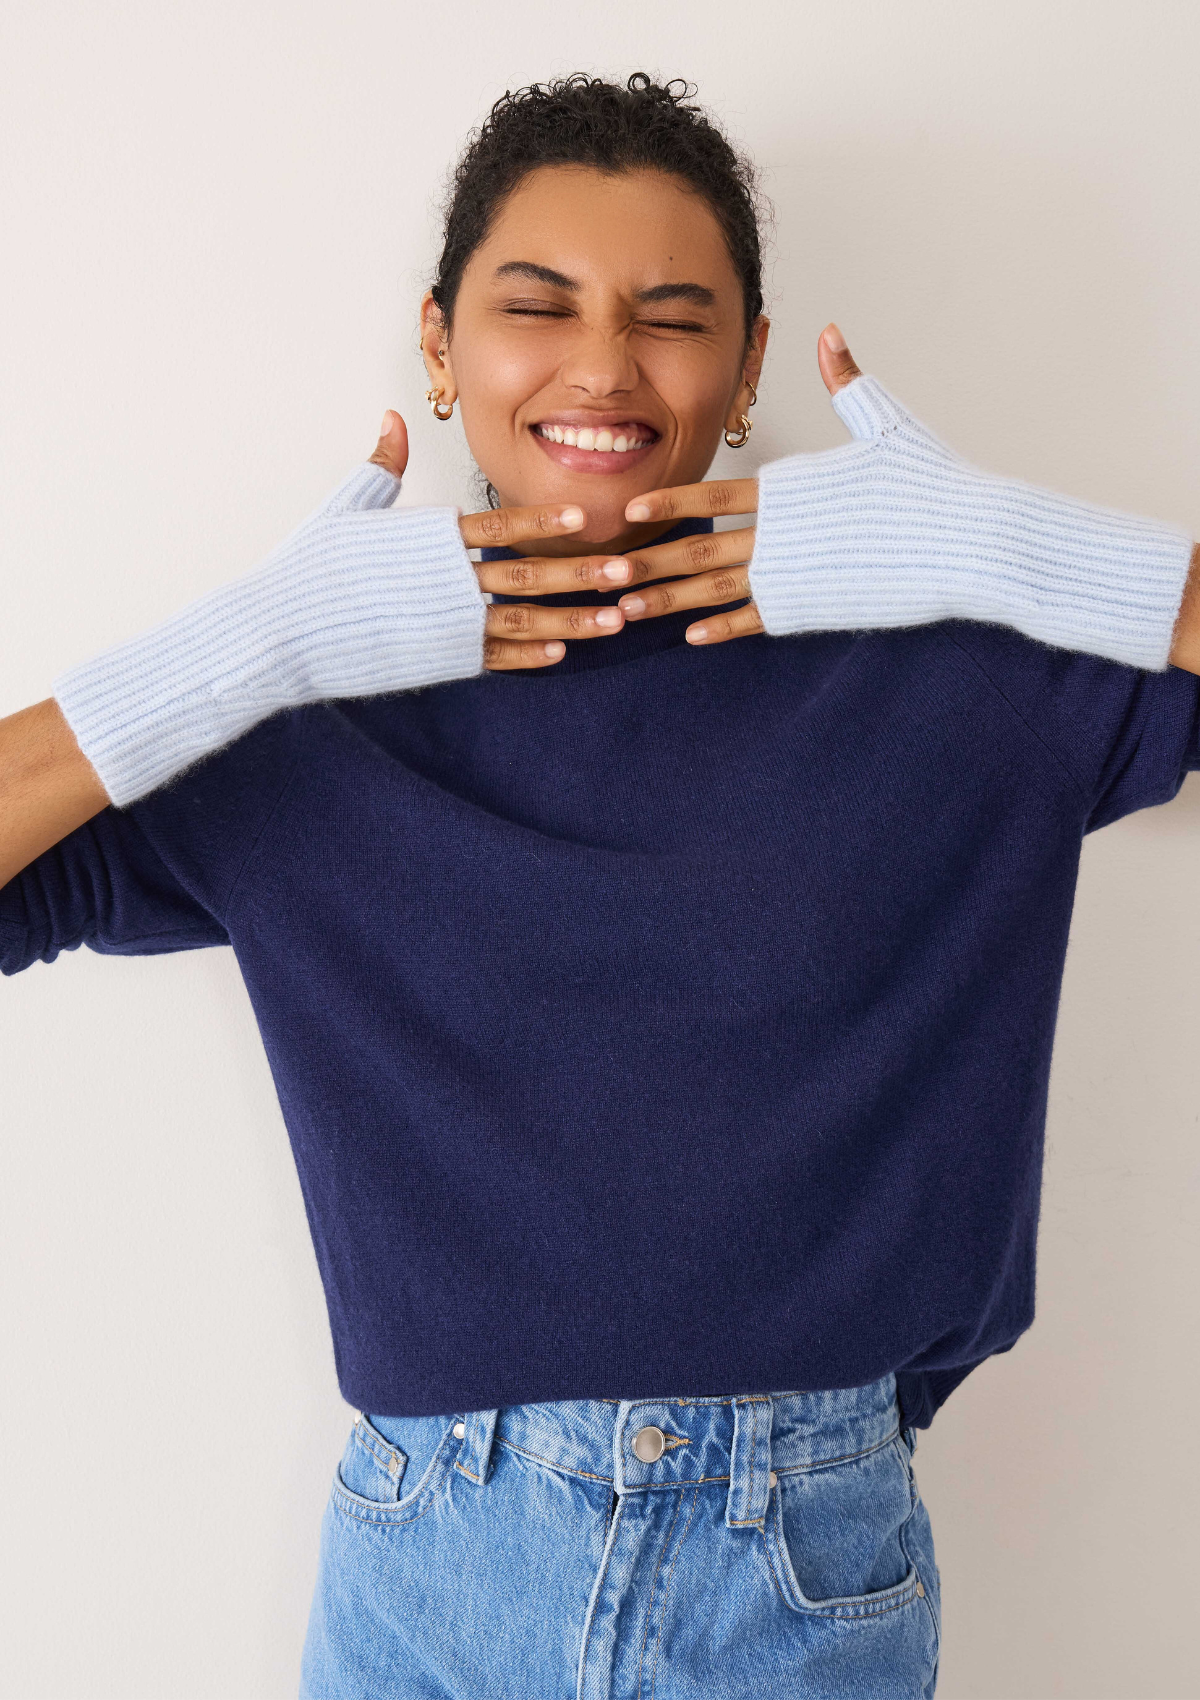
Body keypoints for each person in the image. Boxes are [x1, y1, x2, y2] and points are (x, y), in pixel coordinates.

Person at [2, 71, 1197, 1700]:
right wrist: (245, 652)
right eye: (536, 304)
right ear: (437, 347)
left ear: (752, 360)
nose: (602, 365)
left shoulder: (961, 675)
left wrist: (1021, 557)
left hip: (802, 1580)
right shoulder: (299, 714)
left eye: (675, 314)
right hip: (428, 1577)